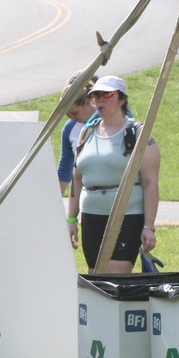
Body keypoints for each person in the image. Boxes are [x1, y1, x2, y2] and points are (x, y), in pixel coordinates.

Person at [67, 76, 159, 274]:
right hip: (92, 215)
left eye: (106, 95)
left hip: (127, 214)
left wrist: (148, 227)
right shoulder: (86, 132)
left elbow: (151, 183)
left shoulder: (138, 134)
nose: (100, 100)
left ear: (121, 99)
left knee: (117, 273)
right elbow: (77, 177)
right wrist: (71, 220)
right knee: (96, 274)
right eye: (95, 96)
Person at [57, 74, 100, 195]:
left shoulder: (107, 121)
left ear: (87, 103)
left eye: (75, 113)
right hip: (84, 196)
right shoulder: (69, 128)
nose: (72, 118)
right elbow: (65, 166)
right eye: (68, 115)